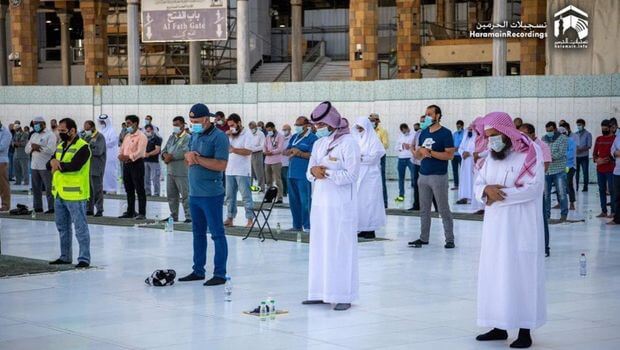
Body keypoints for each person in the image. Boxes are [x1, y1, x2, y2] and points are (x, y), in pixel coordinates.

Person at [473, 112, 546, 349]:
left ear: (506, 133)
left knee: (521, 275)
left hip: (521, 226)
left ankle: (525, 330)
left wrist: (499, 195)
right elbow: (479, 182)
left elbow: (534, 189)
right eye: (488, 136)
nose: (491, 141)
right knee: (495, 274)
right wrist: (485, 190)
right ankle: (498, 325)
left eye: (494, 136)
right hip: (495, 227)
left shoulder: (529, 153)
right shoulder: (492, 157)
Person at [303, 101, 360, 311]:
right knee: (320, 248)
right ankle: (319, 292)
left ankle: (344, 294)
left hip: (341, 206)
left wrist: (326, 172)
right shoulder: (319, 144)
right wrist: (314, 172)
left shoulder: (349, 143)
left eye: (319, 125)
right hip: (320, 204)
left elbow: (352, 175)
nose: (316, 129)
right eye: (315, 126)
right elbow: (309, 172)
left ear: (330, 122)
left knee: (340, 249)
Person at [178, 103, 230, 286]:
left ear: (207, 119)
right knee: (197, 233)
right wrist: (188, 157)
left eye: (197, 121)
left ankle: (220, 274)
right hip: (195, 193)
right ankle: (198, 270)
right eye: (191, 121)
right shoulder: (195, 135)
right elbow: (190, 158)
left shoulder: (219, 137)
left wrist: (197, 159)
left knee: (217, 233)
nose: (194, 124)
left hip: (211, 193)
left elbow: (221, 165)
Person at [48, 118, 92, 269]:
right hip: (59, 193)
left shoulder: (83, 147)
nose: (60, 133)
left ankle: (84, 258)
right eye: (59, 130)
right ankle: (65, 256)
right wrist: (53, 163)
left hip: (75, 195)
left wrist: (56, 164)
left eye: (63, 130)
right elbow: (50, 162)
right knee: (62, 227)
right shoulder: (60, 146)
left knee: (80, 228)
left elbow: (75, 165)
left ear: (72, 130)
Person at [409, 105, 455, 249]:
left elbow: (449, 155)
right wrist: (415, 151)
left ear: (437, 116)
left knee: (443, 209)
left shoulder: (446, 133)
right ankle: (424, 238)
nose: (427, 116)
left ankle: (449, 239)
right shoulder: (423, 133)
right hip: (423, 175)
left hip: (438, 176)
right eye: (425, 114)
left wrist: (430, 152)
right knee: (424, 209)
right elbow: (419, 155)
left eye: (430, 114)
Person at [520, 123, 553, 257]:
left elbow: (545, 166)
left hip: (536, 188)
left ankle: (545, 247)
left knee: (540, 217)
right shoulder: (520, 147)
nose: (522, 137)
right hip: (522, 188)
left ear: (533, 135)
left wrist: (529, 177)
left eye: (525, 135)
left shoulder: (541, 146)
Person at [353, 117, 386, 239]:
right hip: (358, 175)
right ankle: (362, 227)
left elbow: (373, 158)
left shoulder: (374, 140)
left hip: (370, 177)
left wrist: (359, 158)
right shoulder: (355, 139)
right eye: (358, 128)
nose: (359, 130)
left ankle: (371, 229)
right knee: (359, 203)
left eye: (361, 128)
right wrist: (359, 158)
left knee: (370, 202)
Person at [285, 116, 317, 232]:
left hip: (303, 174)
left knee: (305, 201)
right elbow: (285, 151)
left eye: (299, 125)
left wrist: (299, 153)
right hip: (292, 173)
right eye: (296, 125)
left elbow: (313, 156)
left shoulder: (312, 138)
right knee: (294, 201)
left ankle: (308, 225)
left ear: (306, 125)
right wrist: (291, 151)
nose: (297, 127)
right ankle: (297, 225)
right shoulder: (294, 137)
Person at [223, 113, 254, 228]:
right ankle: (230, 218)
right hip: (229, 169)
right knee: (229, 196)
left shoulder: (247, 134)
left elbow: (248, 151)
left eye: (232, 125)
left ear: (239, 123)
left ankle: (250, 219)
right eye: (229, 125)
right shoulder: (230, 135)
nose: (231, 127)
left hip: (242, 171)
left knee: (246, 196)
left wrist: (234, 150)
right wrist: (226, 136)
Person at [161, 116, 192, 223]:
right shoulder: (172, 137)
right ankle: (173, 215)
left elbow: (185, 151)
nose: (175, 127)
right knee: (171, 195)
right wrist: (165, 155)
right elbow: (164, 150)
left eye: (177, 125)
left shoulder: (188, 137)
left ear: (183, 125)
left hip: (181, 171)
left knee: (185, 195)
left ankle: (189, 216)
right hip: (170, 171)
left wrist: (171, 157)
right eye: (174, 125)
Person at [118, 115, 148, 220]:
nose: (127, 126)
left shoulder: (141, 136)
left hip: (137, 164)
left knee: (139, 189)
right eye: (126, 124)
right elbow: (122, 148)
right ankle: (130, 211)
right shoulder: (127, 136)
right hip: (126, 164)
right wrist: (121, 156)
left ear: (135, 123)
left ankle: (142, 213)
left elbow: (140, 152)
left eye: (129, 123)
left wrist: (129, 157)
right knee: (129, 188)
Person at [26, 117, 57, 213]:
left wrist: (39, 147)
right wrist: (32, 148)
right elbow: (26, 150)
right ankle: (38, 207)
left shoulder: (50, 135)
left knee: (49, 188)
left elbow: (51, 150)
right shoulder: (33, 135)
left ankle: (52, 208)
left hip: (45, 166)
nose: (35, 125)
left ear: (43, 124)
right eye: (34, 123)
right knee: (36, 188)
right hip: (34, 166)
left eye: (37, 123)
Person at [542, 121, 569, 222]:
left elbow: (560, 153)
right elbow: (542, 152)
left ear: (555, 129)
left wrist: (548, 157)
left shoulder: (563, 139)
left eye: (551, 130)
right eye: (547, 130)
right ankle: (546, 215)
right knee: (546, 195)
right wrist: (547, 157)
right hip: (547, 171)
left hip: (559, 170)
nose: (549, 132)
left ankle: (564, 215)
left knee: (561, 193)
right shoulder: (543, 139)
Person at [82, 121, 106, 217]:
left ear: (92, 128)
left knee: (97, 189)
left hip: (96, 167)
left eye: (87, 128)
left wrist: (87, 150)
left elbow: (98, 151)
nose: (85, 130)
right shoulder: (86, 137)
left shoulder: (99, 137)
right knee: (88, 190)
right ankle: (89, 209)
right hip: (87, 167)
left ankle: (99, 209)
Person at [593, 120, 616, 218]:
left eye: (605, 127)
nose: (603, 129)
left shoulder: (615, 139)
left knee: (612, 190)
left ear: (610, 128)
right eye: (602, 127)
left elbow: (615, 153)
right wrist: (597, 160)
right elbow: (594, 154)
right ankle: (604, 211)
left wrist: (606, 160)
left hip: (611, 169)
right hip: (600, 169)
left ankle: (614, 211)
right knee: (601, 190)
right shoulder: (598, 139)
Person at [369, 113, 388, 208]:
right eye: (370, 120)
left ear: (377, 121)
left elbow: (385, 144)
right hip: (369, 158)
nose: (371, 122)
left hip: (380, 157)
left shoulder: (382, 131)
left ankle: (384, 203)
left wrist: (375, 149)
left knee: (381, 179)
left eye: (373, 120)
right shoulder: (367, 131)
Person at [263, 122, 285, 203]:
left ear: (273, 128)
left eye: (270, 130)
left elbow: (280, 149)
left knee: (278, 180)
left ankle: (280, 197)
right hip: (267, 161)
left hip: (276, 161)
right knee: (268, 181)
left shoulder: (280, 136)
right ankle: (269, 197)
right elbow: (264, 146)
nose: (269, 131)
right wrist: (265, 152)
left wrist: (271, 152)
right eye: (267, 130)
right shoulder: (267, 136)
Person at [97, 114, 119, 194]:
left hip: (110, 155)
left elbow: (113, 142)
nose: (102, 123)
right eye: (101, 121)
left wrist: (102, 144)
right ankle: (104, 188)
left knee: (110, 172)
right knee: (103, 172)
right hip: (102, 155)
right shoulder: (100, 131)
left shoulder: (112, 130)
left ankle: (112, 189)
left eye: (103, 121)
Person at [456, 124, 477, 205]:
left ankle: (471, 198)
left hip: (472, 161)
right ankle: (464, 197)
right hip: (465, 162)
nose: (469, 131)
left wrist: (469, 153)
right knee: (464, 179)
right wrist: (463, 153)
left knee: (471, 179)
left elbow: (478, 148)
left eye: (471, 129)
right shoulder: (465, 138)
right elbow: (460, 148)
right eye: (468, 130)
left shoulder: (476, 138)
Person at [394, 123, 415, 203]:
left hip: (411, 158)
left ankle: (416, 196)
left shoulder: (413, 135)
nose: (404, 132)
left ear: (407, 128)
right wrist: (402, 146)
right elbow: (396, 148)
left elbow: (416, 146)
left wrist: (409, 146)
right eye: (402, 131)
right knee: (401, 178)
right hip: (401, 159)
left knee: (414, 177)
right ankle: (401, 195)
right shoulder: (400, 136)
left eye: (405, 131)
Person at [559, 124, 577, 210]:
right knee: (560, 185)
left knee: (569, 184)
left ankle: (572, 203)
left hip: (569, 166)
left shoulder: (571, 141)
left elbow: (571, 154)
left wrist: (561, 155)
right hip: (560, 166)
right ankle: (561, 203)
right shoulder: (558, 142)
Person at [143, 124, 163, 197]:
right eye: (146, 130)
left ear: (152, 130)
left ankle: (156, 193)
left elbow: (157, 150)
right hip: (145, 161)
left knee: (155, 178)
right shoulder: (144, 138)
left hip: (154, 161)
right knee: (145, 177)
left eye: (149, 130)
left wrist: (148, 154)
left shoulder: (157, 138)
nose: (147, 132)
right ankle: (147, 192)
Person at [575, 118, 592, 192]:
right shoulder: (575, 134)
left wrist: (581, 149)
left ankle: (585, 187)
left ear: (584, 125)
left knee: (585, 172)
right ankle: (576, 186)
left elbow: (589, 146)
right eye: (577, 125)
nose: (578, 126)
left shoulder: (588, 134)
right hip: (576, 156)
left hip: (584, 156)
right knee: (576, 173)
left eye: (580, 125)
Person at [248, 121, 266, 191]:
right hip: (249, 154)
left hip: (257, 153)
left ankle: (261, 187)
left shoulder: (260, 134)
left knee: (259, 171)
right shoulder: (249, 133)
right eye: (250, 128)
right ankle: (250, 187)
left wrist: (254, 149)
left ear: (255, 127)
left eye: (252, 128)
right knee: (249, 172)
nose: (251, 129)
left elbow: (262, 146)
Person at [0, 122, 11, 212]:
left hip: (1, 161)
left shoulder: (6, 133)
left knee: (3, 184)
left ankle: (5, 204)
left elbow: (2, 147)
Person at [451, 120, 465, 190]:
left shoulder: (465, 134)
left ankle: (463, 185)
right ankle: (456, 185)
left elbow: (465, 144)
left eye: (459, 126)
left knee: (463, 170)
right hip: (454, 155)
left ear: (462, 126)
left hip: (461, 155)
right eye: (457, 126)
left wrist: (458, 148)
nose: (458, 127)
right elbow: (451, 143)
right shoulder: (454, 134)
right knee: (454, 170)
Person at [610, 133, 620, 225]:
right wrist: (615, 152)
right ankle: (617, 219)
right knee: (617, 196)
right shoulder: (618, 137)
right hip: (617, 171)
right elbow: (612, 150)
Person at [280, 124, 292, 197]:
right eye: (283, 130)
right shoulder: (281, 137)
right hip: (280, 161)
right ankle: (283, 192)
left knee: (287, 178)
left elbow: (292, 148)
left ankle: (289, 192)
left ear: (289, 130)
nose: (284, 131)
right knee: (281, 178)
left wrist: (287, 152)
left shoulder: (292, 138)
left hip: (288, 161)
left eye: (286, 129)